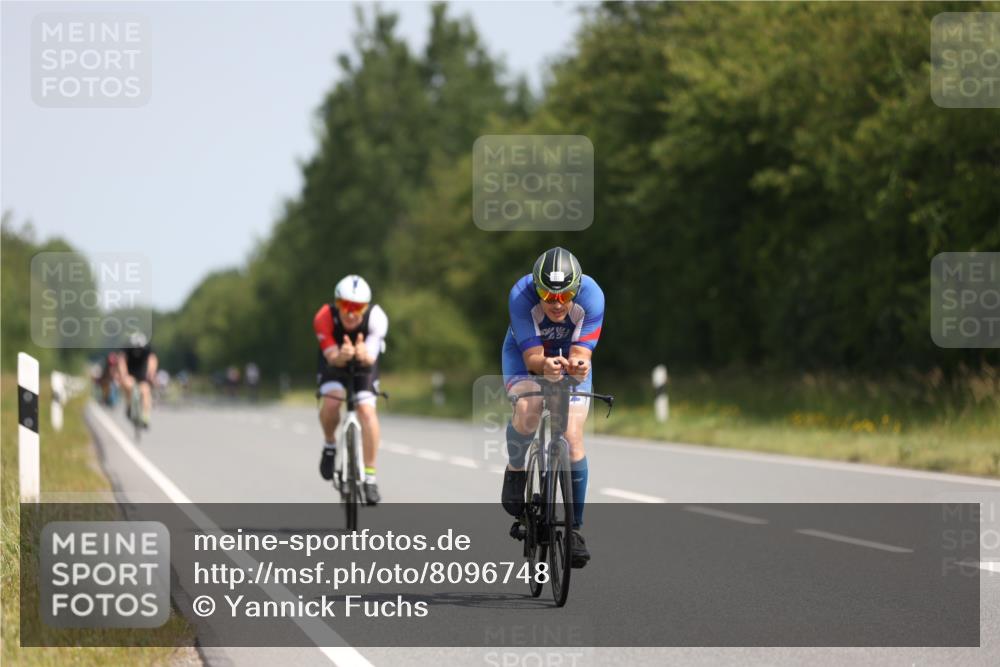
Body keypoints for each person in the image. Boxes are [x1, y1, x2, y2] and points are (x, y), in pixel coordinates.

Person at [500, 247, 604, 568]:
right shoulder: (520, 295)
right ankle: (516, 469)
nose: (556, 304)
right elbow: (532, 359)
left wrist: (580, 366)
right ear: (535, 286)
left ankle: (573, 530)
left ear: (577, 288)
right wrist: (545, 364)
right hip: (525, 357)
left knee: (572, 437)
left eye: (564, 295)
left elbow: (583, 354)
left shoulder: (592, 296)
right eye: (547, 294)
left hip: (568, 360)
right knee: (530, 408)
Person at [313, 275, 389, 505]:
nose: (351, 313)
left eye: (357, 307)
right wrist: (341, 355)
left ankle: (370, 477)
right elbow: (331, 355)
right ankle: (329, 445)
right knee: (333, 400)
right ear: (337, 304)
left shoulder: (377, 317)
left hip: (364, 363)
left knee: (366, 410)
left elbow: (370, 356)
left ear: (366, 308)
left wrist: (361, 354)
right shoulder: (324, 316)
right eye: (344, 305)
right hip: (334, 361)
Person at [117, 331, 159, 428]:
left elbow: (152, 360)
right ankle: (129, 406)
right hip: (130, 373)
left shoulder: (147, 349)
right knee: (128, 385)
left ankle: (145, 417)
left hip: (142, 374)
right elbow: (121, 361)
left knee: (145, 391)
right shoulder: (126, 349)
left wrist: (151, 373)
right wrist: (124, 374)